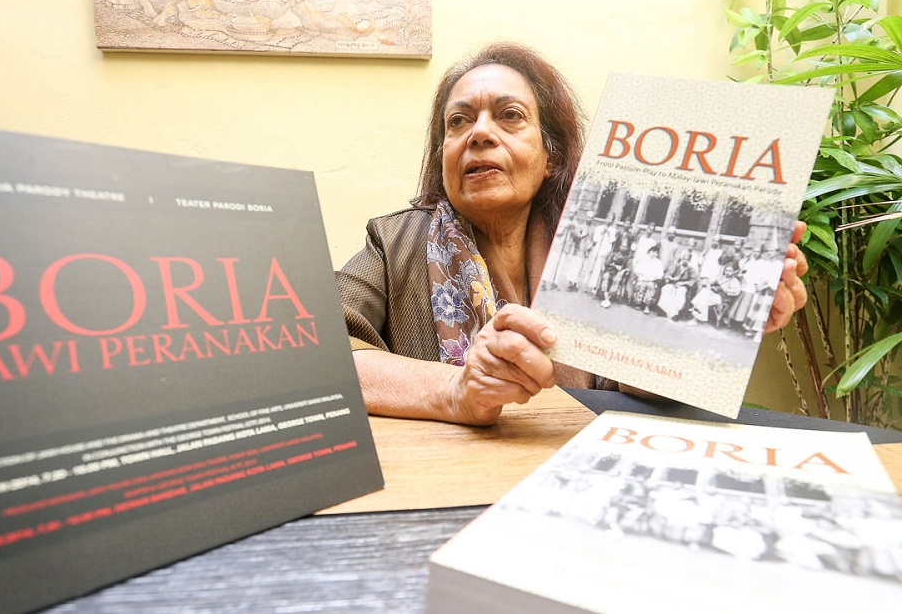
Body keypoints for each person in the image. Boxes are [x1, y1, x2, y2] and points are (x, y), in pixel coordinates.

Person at [336, 42, 810, 425]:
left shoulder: (611, 241)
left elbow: (640, 385)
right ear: (443, 157)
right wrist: (456, 391)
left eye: (510, 115)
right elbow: (318, 358)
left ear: (552, 158)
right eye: (458, 122)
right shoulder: (392, 242)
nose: (478, 133)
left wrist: (713, 329)